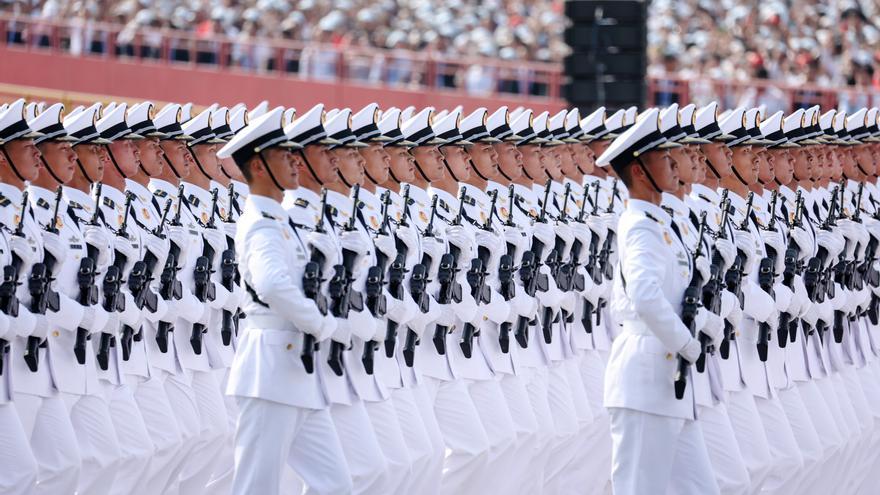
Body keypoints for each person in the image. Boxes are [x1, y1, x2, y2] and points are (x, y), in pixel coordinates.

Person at [219, 106, 352, 495]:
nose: (295, 162)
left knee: (335, 484)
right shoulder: (261, 223)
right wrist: (321, 323)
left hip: (296, 370)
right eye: (283, 155)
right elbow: (272, 284)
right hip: (269, 369)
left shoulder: (279, 220)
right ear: (258, 167)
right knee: (256, 486)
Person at [596, 107, 721, 494]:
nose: (672, 165)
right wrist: (687, 344)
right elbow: (646, 296)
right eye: (663, 159)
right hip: (646, 375)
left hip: (668, 382)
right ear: (638, 171)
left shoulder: (660, 223)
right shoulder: (639, 226)